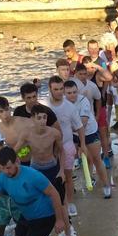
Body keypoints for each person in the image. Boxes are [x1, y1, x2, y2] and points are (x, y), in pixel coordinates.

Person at [42, 76, 85, 220]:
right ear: (50, 89)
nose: (59, 92)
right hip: (48, 148)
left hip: (67, 145)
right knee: (49, 178)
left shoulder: (70, 107)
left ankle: (70, 202)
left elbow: (79, 127)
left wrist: (83, 146)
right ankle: (54, 204)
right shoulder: (44, 105)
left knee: (67, 176)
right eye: (56, 89)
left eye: (61, 89)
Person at [65, 78, 114, 200]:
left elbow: (83, 122)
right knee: (78, 161)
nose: (72, 95)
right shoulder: (63, 103)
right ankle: (85, 181)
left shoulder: (83, 101)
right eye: (69, 93)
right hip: (74, 135)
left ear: (78, 91)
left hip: (89, 132)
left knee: (97, 159)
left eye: (74, 92)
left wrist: (80, 142)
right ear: (64, 93)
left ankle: (106, 185)